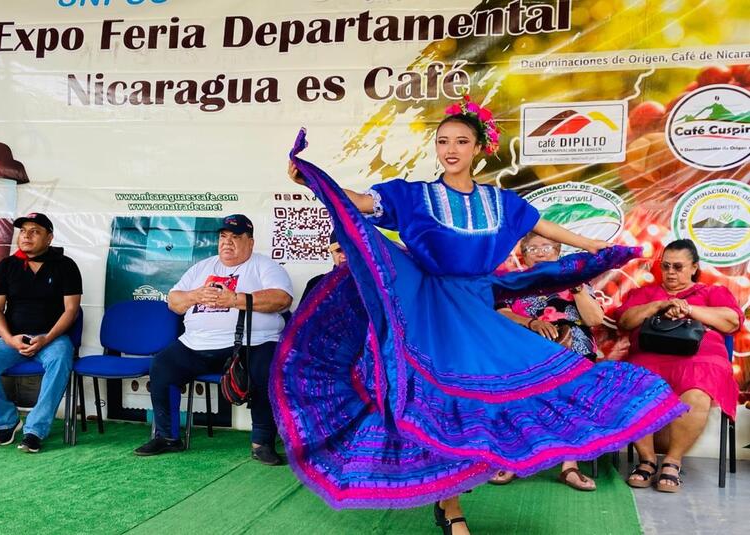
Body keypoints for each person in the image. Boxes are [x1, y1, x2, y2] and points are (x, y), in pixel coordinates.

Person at [276, 95, 684, 534]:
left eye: (461, 141)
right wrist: (313, 182)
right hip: (427, 307)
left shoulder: (499, 201)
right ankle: (452, 511)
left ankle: (474, 485)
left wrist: (589, 245)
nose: (450, 149)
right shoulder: (415, 196)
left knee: (519, 388)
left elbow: (538, 225)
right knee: (435, 405)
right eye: (443, 141)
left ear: (478, 149)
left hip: (475, 309)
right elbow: (357, 201)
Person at [134, 214, 293, 465]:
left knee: (267, 369)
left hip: (252, 343)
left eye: (236, 237)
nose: (227, 243)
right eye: (223, 237)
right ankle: (167, 437)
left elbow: (282, 299)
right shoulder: (202, 267)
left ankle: (262, 443)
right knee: (162, 365)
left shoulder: (265, 266)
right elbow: (174, 302)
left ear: (250, 242)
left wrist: (235, 300)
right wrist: (194, 296)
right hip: (197, 344)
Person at [616, 239, 742, 493]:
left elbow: (731, 322)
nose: (671, 272)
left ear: (694, 267)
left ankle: (672, 462)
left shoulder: (712, 292)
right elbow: (626, 321)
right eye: (666, 266)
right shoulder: (645, 293)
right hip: (650, 355)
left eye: (678, 267)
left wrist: (688, 309)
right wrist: (660, 305)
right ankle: (647, 460)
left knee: (697, 391)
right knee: (633, 384)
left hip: (701, 357)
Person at [490, 232, 605, 491]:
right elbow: (501, 314)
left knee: (573, 390)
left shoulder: (578, 281)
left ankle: (570, 466)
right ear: (524, 254)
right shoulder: (514, 282)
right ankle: (513, 461)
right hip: (525, 346)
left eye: (547, 247)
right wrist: (532, 322)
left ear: (558, 251)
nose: (541, 252)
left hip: (573, 347)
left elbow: (595, 320)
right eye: (533, 248)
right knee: (514, 389)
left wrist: (574, 286)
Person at [0, 213, 82, 453]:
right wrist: (10, 339)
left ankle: (35, 430)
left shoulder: (66, 266)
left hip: (52, 338)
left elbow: (71, 310)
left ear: (49, 237)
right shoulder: (7, 266)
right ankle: (8, 420)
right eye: (23, 231)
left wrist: (47, 338)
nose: (27, 236)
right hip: (15, 338)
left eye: (35, 231)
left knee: (61, 359)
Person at [301, 230, 346, 301]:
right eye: (338, 250)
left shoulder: (368, 282)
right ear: (332, 252)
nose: (344, 255)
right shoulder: (316, 283)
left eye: (348, 251)